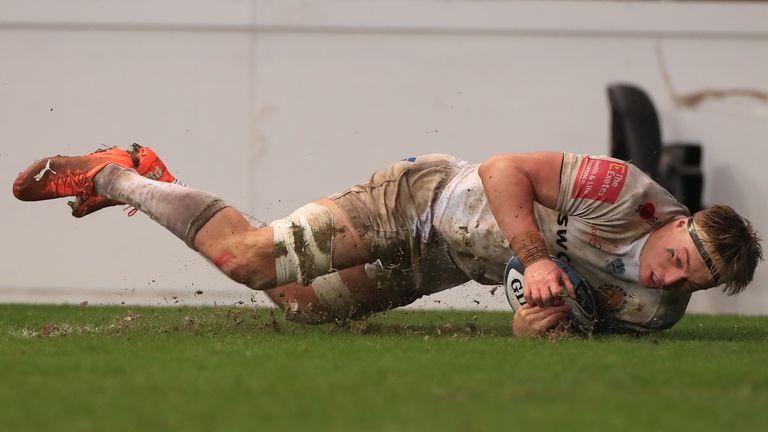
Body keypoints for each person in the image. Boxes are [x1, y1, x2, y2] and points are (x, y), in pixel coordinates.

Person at [13, 145, 762, 336]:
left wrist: (536, 329)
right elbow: (504, 170)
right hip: (426, 198)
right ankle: (117, 175)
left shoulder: (653, 312)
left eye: (687, 284)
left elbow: (571, 327)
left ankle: (151, 176)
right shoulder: (623, 191)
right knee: (246, 260)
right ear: (674, 219)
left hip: (446, 257)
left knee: (298, 307)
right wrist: (534, 258)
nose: (667, 280)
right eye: (676, 260)